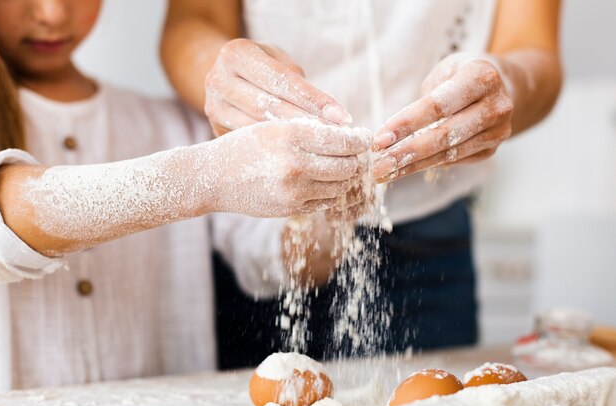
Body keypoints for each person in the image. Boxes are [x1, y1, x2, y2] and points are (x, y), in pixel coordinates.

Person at [0, 0, 368, 392]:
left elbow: (271, 258)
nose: (52, 13)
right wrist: (207, 177)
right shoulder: (194, 154)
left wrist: (330, 203)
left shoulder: (170, 123)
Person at [161, 0, 563, 367]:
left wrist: (503, 83)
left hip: (426, 229)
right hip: (264, 215)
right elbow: (193, 23)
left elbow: (532, 48)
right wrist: (222, 75)